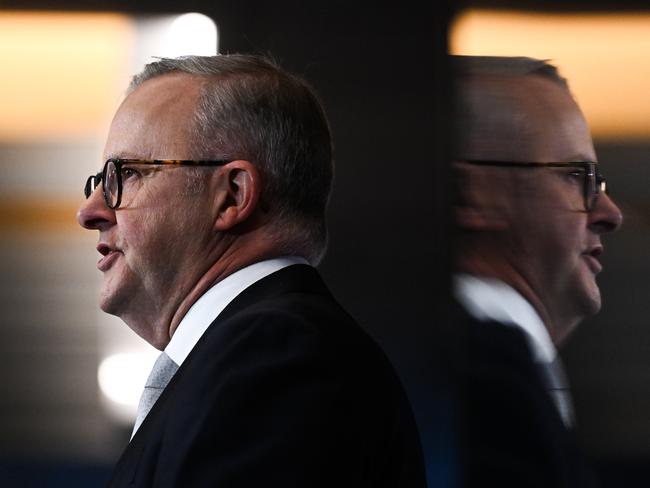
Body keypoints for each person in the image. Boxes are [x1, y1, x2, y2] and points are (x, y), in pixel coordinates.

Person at [77, 54, 424, 487]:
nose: (89, 212)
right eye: (100, 181)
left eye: (125, 174)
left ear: (232, 195)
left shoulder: (280, 355)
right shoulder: (253, 353)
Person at [450, 55, 623, 487]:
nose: (609, 213)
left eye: (597, 182)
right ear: (468, 193)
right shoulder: (477, 373)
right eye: (574, 176)